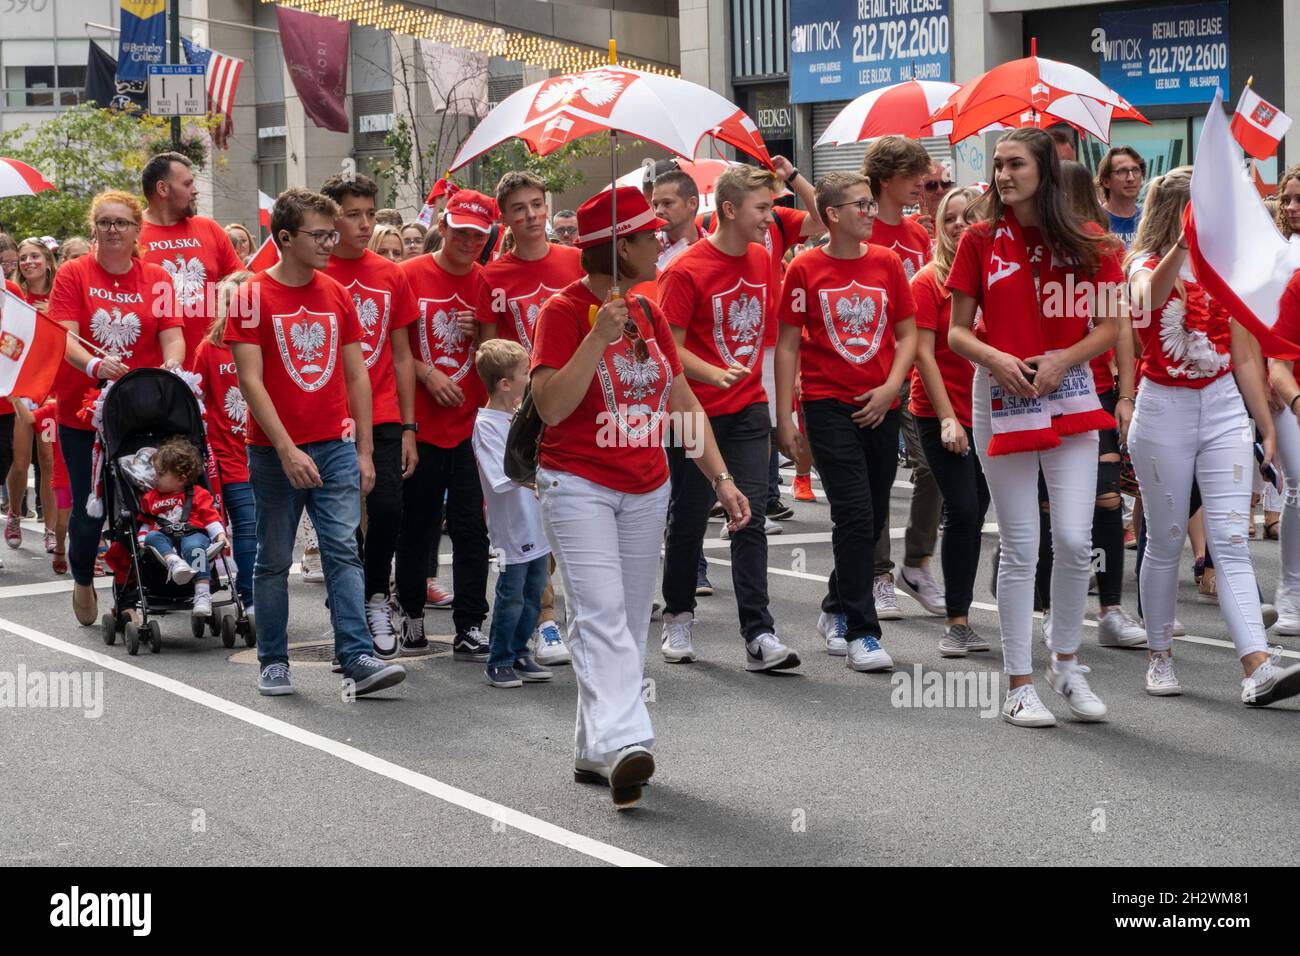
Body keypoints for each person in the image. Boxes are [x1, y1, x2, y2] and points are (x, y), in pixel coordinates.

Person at [530, 185, 749, 808]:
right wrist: (596, 337)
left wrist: (721, 479)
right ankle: (627, 741)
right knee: (600, 619)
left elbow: (682, 404)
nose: (661, 241)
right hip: (577, 483)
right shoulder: (563, 312)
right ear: (619, 246)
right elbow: (550, 405)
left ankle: (591, 749)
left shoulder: (651, 314)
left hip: (646, 486)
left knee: (624, 624)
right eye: (648, 234)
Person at [947, 127, 1120, 728]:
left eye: (1015, 164)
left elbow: (1108, 327)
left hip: (1070, 395)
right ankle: (1019, 682)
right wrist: (995, 358)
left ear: (1045, 171)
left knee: (1074, 541)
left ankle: (1065, 663)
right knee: (1021, 545)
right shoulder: (978, 238)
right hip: (1000, 395)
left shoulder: (1092, 243)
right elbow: (957, 332)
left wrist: (1061, 361)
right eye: (997, 165)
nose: (1002, 175)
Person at [1119, 167, 1300, 705]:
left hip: (1222, 408)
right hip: (1162, 410)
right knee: (1167, 539)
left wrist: (1265, 428)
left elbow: (1245, 354)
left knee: (1232, 545)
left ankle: (1257, 664)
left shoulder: (1227, 269)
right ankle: (1159, 654)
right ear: (1180, 212)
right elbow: (1144, 303)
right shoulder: (1143, 263)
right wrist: (1182, 243)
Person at [226, 187, 406, 699]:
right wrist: (286, 449)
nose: (332, 241)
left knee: (344, 553)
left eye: (334, 232)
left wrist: (365, 449)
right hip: (274, 451)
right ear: (285, 238)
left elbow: (357, 377)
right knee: (274, 557)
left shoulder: (336, 292)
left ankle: (356, 656)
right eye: (320, 234)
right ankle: (274, 659)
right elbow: (250, 381)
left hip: (336, 445)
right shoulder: (250, 296)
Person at [775, 171, 917, 671]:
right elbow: (788, 343)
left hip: (882, 403)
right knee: (854, 514)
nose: (870, 213)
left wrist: (891, 388)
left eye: (871, 205)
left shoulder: (889, 263)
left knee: (873, 516)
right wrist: (785, 417)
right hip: (827, 405)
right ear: (832, 215)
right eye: (861, 206)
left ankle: (836, 603)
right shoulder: (805, 269)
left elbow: (907, 334)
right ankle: (862, 630)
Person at [658, 164, 797, 671]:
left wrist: (784, 411)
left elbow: (774, 338)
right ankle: (678, 614)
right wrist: (712, 372)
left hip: (746, 408)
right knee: (691, 517)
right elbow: (667, 348)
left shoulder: (763, 260)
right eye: (763, 208)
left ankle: (759, 634)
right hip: (692, 411)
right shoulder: (685, 269)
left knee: (749, 518)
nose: (770, 217)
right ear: (731, 209)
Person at [48, 190, 187, 625]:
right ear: (94, 228)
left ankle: (129, 592)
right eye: (105, 222)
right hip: (82, 414)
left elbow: (174, 335)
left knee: (138, 505)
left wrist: (172, 367)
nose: (113, 230)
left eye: (121, 223)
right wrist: (93, 363)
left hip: (139, 413)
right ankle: (83, 579)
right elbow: (64, 337)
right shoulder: (73, 274)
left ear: (136, 230)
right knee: (91, 511)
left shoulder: (158, 277)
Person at [477, 170, 583, 666]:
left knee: (573, 511)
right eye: (519, 209)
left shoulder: (577, 262)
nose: (532, 216)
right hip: (526, 417)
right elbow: (490, 351)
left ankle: (568, 612)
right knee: (534, 518)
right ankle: (543, 621)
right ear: (505, 219)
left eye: (537, 204)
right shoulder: (493, 276)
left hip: (577, 405)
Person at [1044, 160, 1147, 649]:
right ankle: (1043, 606)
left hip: (1094, 387)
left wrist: (1126, 394)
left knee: (1107, 498)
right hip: (1038, 386)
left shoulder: (1102, 250)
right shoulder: (1028, 248)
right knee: (1047, 505)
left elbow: (1122, 326)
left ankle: (1110, 609)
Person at [394, 190, 496, 662]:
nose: (468, 240)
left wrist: (482, 334)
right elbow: (393, 350)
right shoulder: (408, 275)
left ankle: (471, 623)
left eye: (478, 234)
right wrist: (425, 371)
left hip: (472, 426)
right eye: (461, 230)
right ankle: (410, 609)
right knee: (417, 526)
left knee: (473, 529)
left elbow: (498, 358)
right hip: (421, 426)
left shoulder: (486, 282)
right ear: (443, 225)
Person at [320, 171, 419, 660]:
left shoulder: (391, 274)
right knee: (339, 525)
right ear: (329, 217)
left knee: (386, 511)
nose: (363, 225)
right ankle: (348, 610)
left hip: (381, 414)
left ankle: (377, 595)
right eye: (352, 215)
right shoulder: (313, 271)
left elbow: (402, 355)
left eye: (369, 215)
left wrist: (408, 426)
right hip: (325, 418)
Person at [861, 135, 944, 620]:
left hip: (920, 367)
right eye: (915, 176)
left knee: (932, 468)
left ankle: (916, 563)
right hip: (874, 370)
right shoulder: (862, 229)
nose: (924, 184)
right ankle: (878, 574)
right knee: (877, 478)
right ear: (886, 179)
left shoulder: (918, 235)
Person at [909, 186, 994, 657]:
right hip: (940, 412)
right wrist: (948, 419)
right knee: (962, 510)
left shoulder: (995, 275)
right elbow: (922, 352)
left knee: (980, 511)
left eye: (969, 217)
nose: (959, 226)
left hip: (993, 412)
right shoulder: (927, 280)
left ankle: (1001, 578)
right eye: (950, 219)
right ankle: (957, 622)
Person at [472, 339, 553, 687]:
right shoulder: (486, 425)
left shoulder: (525, 416)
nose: (530, 379)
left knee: (535, 589)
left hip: (537, 524)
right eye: (525, 373)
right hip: (511, 529)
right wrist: (539, 476)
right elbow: (503, 476)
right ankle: (499, 659)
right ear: (505, 383)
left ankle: (521, 651)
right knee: (511, 593)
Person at [139, 152, 244, 370]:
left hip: (214, 370)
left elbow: (243, 289)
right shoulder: (130, 235)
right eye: (187, 184)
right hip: (156, 374)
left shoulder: (210, 229)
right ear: (163, 189)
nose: (195, 191)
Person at [192, 271, 256, 610]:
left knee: (255, 530)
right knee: (236, 527)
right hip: (225, 457)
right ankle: (245, 597)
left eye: (243, 303)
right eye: (228, 302)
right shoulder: (208, 349)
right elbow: (195, 401)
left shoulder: (266, 341)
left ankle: (252, 594)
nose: (235, 310)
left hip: (262, 452)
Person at [137, 436, 228, 618]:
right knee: (152, 537)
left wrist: (220, 536)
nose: (155, 478)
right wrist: (142, 538)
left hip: (193, 532)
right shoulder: (151, 498)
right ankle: (175, 562)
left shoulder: (198, 494)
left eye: (161, 474)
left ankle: (202, 593)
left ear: (181, 478)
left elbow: (210, 518)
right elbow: (146, 522)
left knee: (194, 548)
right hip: (163, 538)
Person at [8, 237, 58, 544]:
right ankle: (15, 514)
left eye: (35, 256)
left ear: (48, 261)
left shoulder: (62, 296)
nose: (28, 262)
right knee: (21, 460)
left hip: (53, 387)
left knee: (49, 459)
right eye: (23, 257)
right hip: (21, 385)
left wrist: (52, 313)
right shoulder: (13, 296)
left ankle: (51, 529)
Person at [33, 399, 69, 573]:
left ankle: (93, 545)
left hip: (72, 397)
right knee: (48, 462)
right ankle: (51, 531)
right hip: (44, 399)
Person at [1097, 147, 1145, 251]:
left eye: (1136, 170)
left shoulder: (1149, 218)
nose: (1131, 178)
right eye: (1122, 172)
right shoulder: (1096, 220)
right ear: (1106, 182)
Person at [912, 161, 954, 237]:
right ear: (919, 190)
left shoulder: (962, 221)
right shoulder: (911, 225)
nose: (940, 190)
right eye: (931, 185)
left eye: (945, 183)